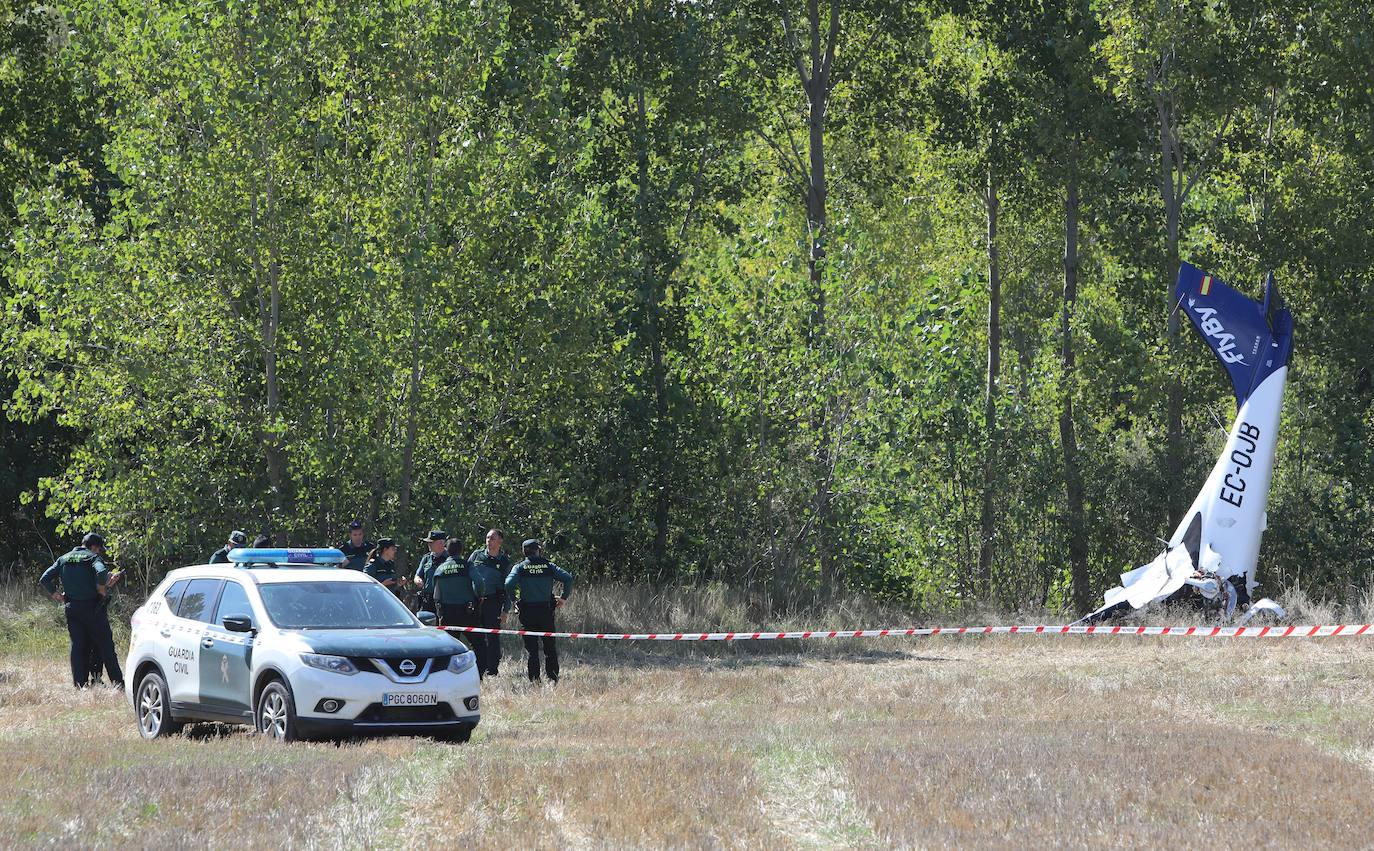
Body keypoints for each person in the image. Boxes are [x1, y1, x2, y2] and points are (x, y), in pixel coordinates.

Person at [39, 533, 124, 689]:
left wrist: (55, 594)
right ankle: (118, 684)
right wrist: (102, 587)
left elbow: (44, 578)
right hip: (93, 609)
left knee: (78, 646)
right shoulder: (93, 557)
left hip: (72, 609)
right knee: (105, 646)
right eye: (99, 549)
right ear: (93, 547)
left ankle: (80, 684)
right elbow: (100, 572)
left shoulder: (63, 558)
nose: (99, 553)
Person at [505, 538, 573, 683]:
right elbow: (568, 578)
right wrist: (563, 598)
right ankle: (553, 678)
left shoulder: (520, 567)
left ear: (524, 552)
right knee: (549, 647)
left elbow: (508, 583)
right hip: (546, 611)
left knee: (532, 650)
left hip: (527, 612)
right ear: (538, 550)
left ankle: (535, 680)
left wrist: (514, 600)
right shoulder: (548, 566)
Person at [466, 529, 511, 678]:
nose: (489, 541)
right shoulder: (476, 555)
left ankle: (492, 670)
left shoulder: (503, 561)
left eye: (492, 538)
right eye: (487, 538)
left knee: (492, 637)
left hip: (493, 602)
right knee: (477, 637)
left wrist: (506, 610)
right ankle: (479, 668)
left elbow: (508, 587)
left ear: (500, 542)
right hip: (476, 601)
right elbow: (466, 575)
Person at [431, 539, 478, 647]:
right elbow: (479, 582)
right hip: (467, 611)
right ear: (461, 550)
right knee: (478, 643)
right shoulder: (468, 566)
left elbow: (436, 595)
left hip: (447, 612)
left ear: (447, 550)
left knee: (448, 645)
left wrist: (439, 612)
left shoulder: (440, 569)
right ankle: (481, 664)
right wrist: (478, 596)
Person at [412, 529, 448, 614]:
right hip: (427, 599)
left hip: (444, 599)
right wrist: (418, 580)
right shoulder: (426, 558)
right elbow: (417, 575)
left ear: (441, 543)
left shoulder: (449, 558)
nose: (429, 544)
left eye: (431, 542)